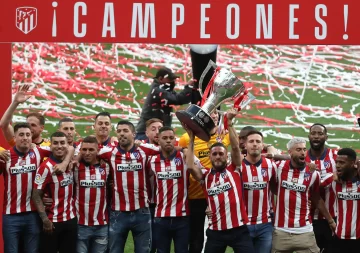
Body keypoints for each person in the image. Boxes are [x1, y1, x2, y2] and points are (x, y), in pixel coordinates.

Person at [187, 109, 255, 253]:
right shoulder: (205, 175)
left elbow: (236, 147)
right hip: (216, 232)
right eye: (215, 154)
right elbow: (190, 165)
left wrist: (229, 123)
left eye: (221, 154)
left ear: (226, 156)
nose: (218, 157)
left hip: (239, 230)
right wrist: (191, 139)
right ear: (210, 157)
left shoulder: (235, 169)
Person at [98, 120, 159, 253]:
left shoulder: (145, 150)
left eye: (125, 131)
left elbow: (168, 148)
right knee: (115, 250)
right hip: (118, 213)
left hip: (142, 211)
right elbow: (87, 152)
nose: (121, 134)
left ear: (134, 134)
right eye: (119, 131)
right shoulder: (108, 152)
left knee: (143, 251)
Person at [178, 111, 230, 253]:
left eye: (215, 113)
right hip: (196, 196)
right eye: (209, 113)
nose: (213, 116)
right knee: (195, 238)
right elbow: (180, 153)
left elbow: (239, 146)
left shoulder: (224, 135)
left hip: (217, 195)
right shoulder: (185, 138)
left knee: (218, 236)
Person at [272, 138, 335, 253]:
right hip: (281, 231)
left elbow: (316, 198)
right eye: (298, 149)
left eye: (304, 149)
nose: (303, 152)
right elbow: (265, 158)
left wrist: (330, 220)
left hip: (305, 231)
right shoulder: (279, 167)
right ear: (290, 152)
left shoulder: (313, 173)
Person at [0, 123, 51, 253]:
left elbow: (64, 149)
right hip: (11, 216)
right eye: (21, 135)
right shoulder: (6, 156)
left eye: (28, 135)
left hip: (33, 215)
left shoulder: (38, 152)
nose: (25, 138)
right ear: (14, 137)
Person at [148, 126, 198, 253]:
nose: (169, 141)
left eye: (171, 138)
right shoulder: (152, 160)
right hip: (161, 217)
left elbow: (200, 174)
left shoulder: (185, 157)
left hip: (182, 217)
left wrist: (188, 147)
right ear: (158, 140)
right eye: (164, 138)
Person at [32, 131, 77, 253]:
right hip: (53, 222)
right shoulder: (45, 167)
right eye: (55, 143)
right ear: (50, 146)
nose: (59, 146)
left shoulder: (70, 163)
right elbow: (36, 194)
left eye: (62, 143)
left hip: (71, 219)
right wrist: (45, 220)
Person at [241, 130, 277, 253]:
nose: (255, 144)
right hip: (242, 224)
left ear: (263, 145)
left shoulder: (271, 165)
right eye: (251, 141)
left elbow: (276, 189)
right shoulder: (237, 166)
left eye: (258, 141)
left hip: (265, 224)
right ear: (245, 145)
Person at [135, 67, 194, 140]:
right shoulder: (157, 91)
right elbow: (178, 99)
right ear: (160, 79)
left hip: (155, 133)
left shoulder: (164, 89)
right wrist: (189, 87)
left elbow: (181, 98)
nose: (172, 81)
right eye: (170, 79)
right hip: (146, 134)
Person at [74, 136, 110, 253]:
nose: (87, 153)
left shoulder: (107, 166)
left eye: (91, 150)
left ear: (98, 151)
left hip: (101, 225)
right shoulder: (75, 167)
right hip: (81, 224)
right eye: (84, 150)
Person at [321, 148, 360, 253]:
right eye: (337, 162)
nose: (337, 165)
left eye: (342, 163)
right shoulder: (333, 180)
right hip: (339, 236)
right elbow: (313, 188)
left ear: (352, 163)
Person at [306, 123, 337, 253]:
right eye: (313, 133)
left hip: (333, 216)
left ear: (326, 137)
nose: (316, 137)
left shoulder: (335, 156)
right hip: (308, 218)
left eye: (320, 134)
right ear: (309, 136)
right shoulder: (302, 157)